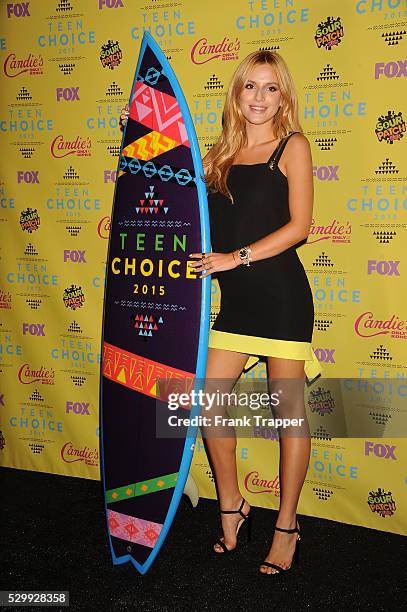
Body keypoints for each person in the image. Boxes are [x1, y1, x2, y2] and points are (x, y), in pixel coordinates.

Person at [120, 49, 321, 575]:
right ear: (237, 93)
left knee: (289, 417)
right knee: (207, 405)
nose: (259, 97)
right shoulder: (218, 156)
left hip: (281, 300)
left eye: (271, 87)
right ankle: (232, 506)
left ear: (284, 95)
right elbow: (178, 202)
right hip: (237, 305)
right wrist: (146, 142)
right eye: (250, 86)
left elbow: (301, 226)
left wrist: (236, 257)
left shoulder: (291, 146)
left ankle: (287, 526)